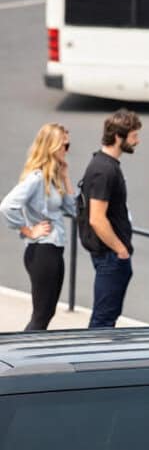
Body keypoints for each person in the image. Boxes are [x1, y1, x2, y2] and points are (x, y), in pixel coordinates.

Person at [0, 123, 75, 330]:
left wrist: (66, 175)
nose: (66, 150)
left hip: (54, 249)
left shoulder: (54, 177)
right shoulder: (37, 177)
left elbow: (74, 209)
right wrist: (28, 230)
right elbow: (7, 207)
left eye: (68, 146)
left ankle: (27, 355)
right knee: (41, 315)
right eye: (64, 146)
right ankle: (20, 357)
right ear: (51, 147)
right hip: (42, 250)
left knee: (47, 312)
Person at [80, 110, 142, 328]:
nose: (137, 141)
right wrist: (120, 250)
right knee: (103, 319)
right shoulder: (104, 170)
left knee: (108, 316)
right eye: (134, 136)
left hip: (111, 255)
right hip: (110, 256)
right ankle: (93, 360)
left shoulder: (105, 165)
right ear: (118, 137)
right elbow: (97, 219)